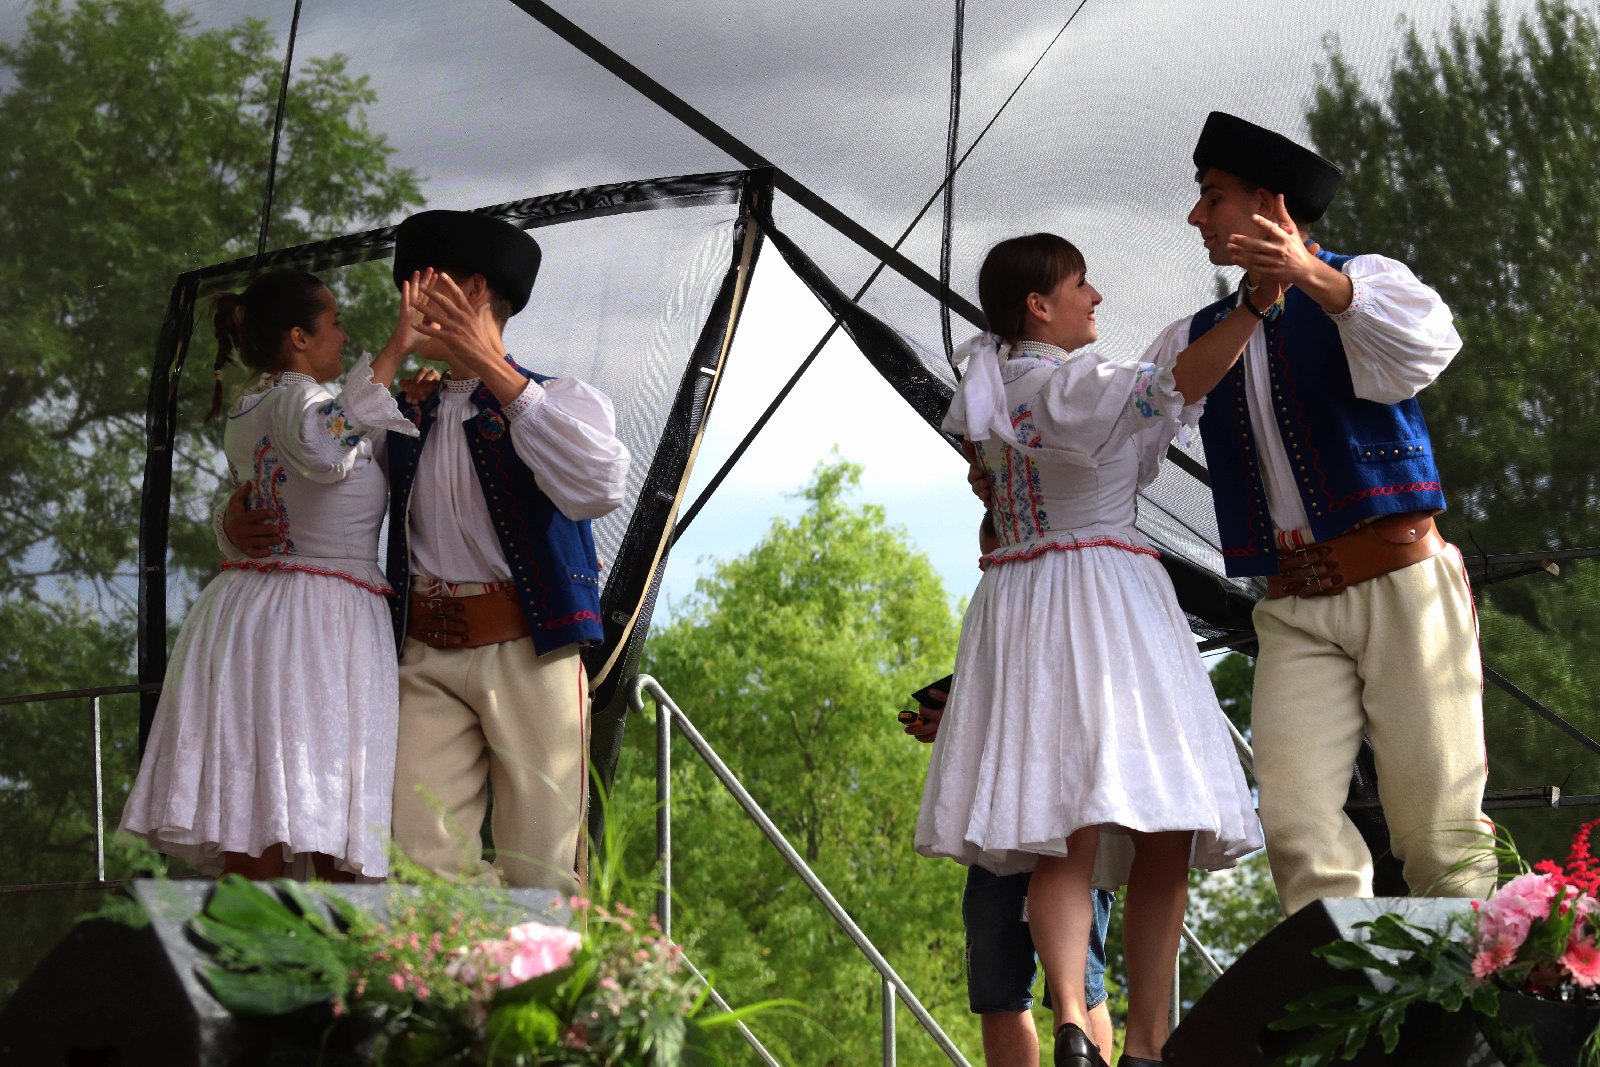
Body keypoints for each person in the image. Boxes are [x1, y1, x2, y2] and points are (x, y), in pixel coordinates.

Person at [918, 233, 1264, 1067]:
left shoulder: (993, 391)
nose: (1096, 297)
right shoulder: (1071, 382)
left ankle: (1073, 1017)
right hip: (1103, 593)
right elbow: (1172, 386)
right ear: (1039, 305)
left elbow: (999, 508)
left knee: (1061, 826)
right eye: (1081, 284)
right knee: (1164, 825)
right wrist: (1252, 308)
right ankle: (1145, 1039)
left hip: (1020, 601)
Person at [1140, 111, 1494, 916]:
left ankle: (1477, 1021)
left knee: (1440, 832)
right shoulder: (1198, 336)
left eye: (1213, 196)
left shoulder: (1365, 286)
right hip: (1293, 606)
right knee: (1296, 826)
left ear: (1268, 203)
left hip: (1402, 581)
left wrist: (1313, 276)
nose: (1197, 216)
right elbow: (1133, 419)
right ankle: (1346, 1019)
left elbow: (1429, 346)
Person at [231, 212, 630, 890]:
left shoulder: (560, 400)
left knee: (542, 869)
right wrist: (231, 521)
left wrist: (495, 372)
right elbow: (314, 476)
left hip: (530, 651)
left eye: (422, 287)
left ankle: (530, 987)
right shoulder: (401, 411)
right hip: (425, 654)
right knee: (416, 862)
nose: (407, 306)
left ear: (473, 292)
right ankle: (463, 985)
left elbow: (598, 485)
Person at [122, 267, 424, 880]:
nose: (344, 337)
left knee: (256, 808)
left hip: (257, 612)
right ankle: (328, 965)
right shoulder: (299, 399)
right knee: (329, 815)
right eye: (334, 323)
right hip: (316, 619)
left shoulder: (250, 405)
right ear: (299, 337)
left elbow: (285, 481)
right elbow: (323, 444)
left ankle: (252, 960)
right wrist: (395, 350)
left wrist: (227, 528)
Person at [906, 515, 1116, 1065]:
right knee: (997, 988)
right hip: (998, 830)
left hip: (1068, 819)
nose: (991, 571)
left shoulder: (1076, 615)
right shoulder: (992, 628)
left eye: (997, 558)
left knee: (1080, 986)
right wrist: (951, 719)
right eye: (986, 561)